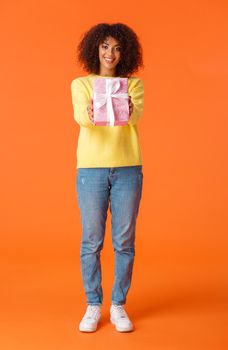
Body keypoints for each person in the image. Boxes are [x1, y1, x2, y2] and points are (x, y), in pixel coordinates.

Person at [70, 22, 144, 333]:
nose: (109, 53)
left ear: (123, 51)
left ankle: (118, 305)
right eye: (104, 46)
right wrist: (91, 110)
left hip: (128, 167)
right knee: (91, 241)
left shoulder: (134, 85)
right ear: (94, 49)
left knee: (124, 241)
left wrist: (125, 105)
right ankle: (92, 304)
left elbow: (135, 116)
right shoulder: (81, 84)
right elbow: (82, 120)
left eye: (115, 47)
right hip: (90, 168)